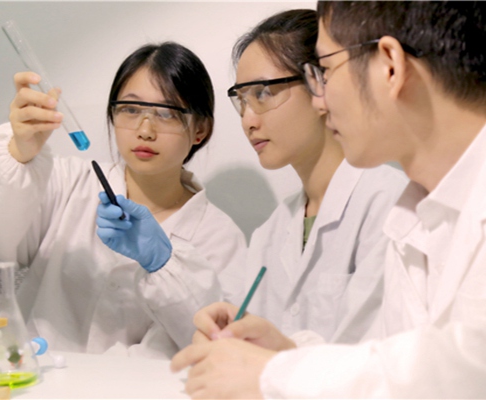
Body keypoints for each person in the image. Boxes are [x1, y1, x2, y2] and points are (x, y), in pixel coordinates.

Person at [171, 2, 486, 398]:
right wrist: (283, 351)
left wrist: (275, 373)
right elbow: (389, 354)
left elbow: (469, 367)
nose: (320, 99)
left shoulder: (396, 204)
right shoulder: (416, 213)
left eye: (326, 70)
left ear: (390, 66)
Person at [0, 41, 246, 358]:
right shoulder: (66, 184)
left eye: (167, 113)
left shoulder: (220, 238)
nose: (145, 130)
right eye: (131, 109)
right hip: (38, 379)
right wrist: (18, 154)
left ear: (200, 129)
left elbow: (216, 343)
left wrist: (165, 263)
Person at [204, 8, 407, 349]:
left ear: (320, 83)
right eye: (241, 100)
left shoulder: (389, 204)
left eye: (262, 94)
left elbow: (375, 352)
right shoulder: (271, 231)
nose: (248, 121)